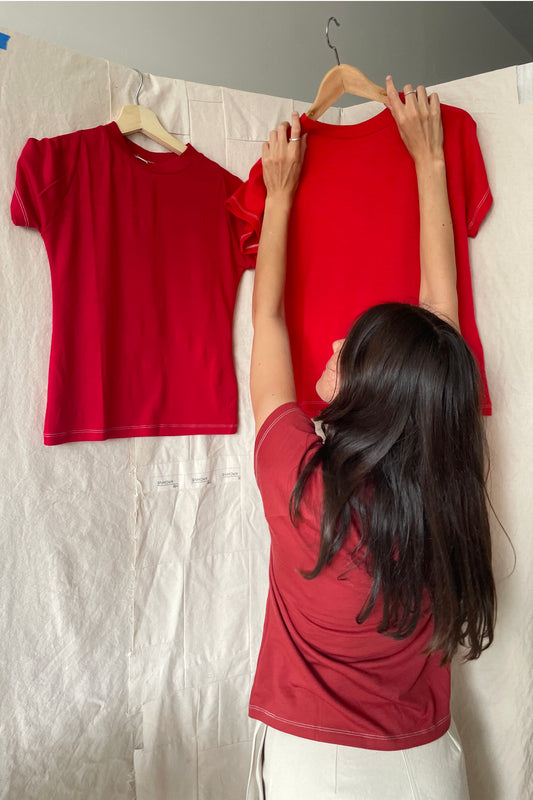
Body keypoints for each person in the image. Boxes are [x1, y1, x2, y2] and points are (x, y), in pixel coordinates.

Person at [247, 76, 496, 800]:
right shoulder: (443, 485)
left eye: (347, 352)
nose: (331, 345)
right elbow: (437, 332)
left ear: (374, 392)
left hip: (314, 770)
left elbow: (266, 321)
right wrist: (430, 163)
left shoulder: (299, 476)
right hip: (428, 763)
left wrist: (279, 197)